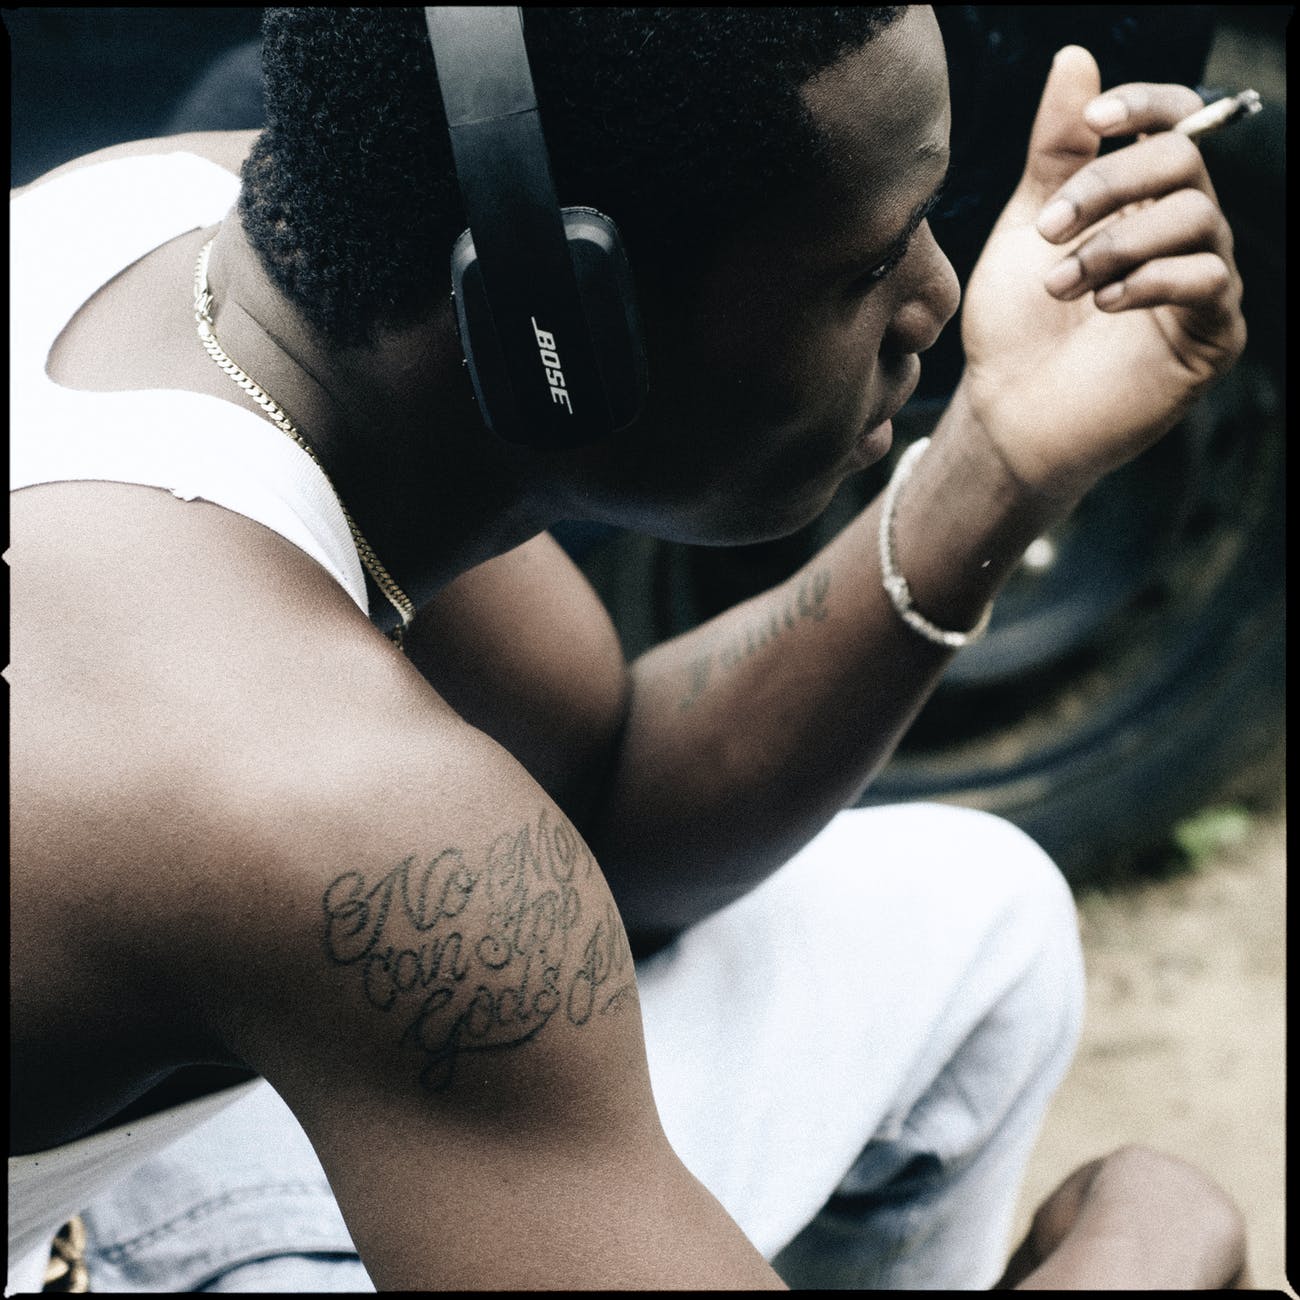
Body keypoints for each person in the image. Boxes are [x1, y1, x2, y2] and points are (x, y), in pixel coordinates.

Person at [10, 7, 1250, 1291]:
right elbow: (450, 854)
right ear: (565, 320)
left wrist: (996, 460)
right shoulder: (315, 782)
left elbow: (611, 800)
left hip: (110, 1165)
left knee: (977, 919)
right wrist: (1148, 1250)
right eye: (867, 263)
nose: (938, 298)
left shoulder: (171, 225)